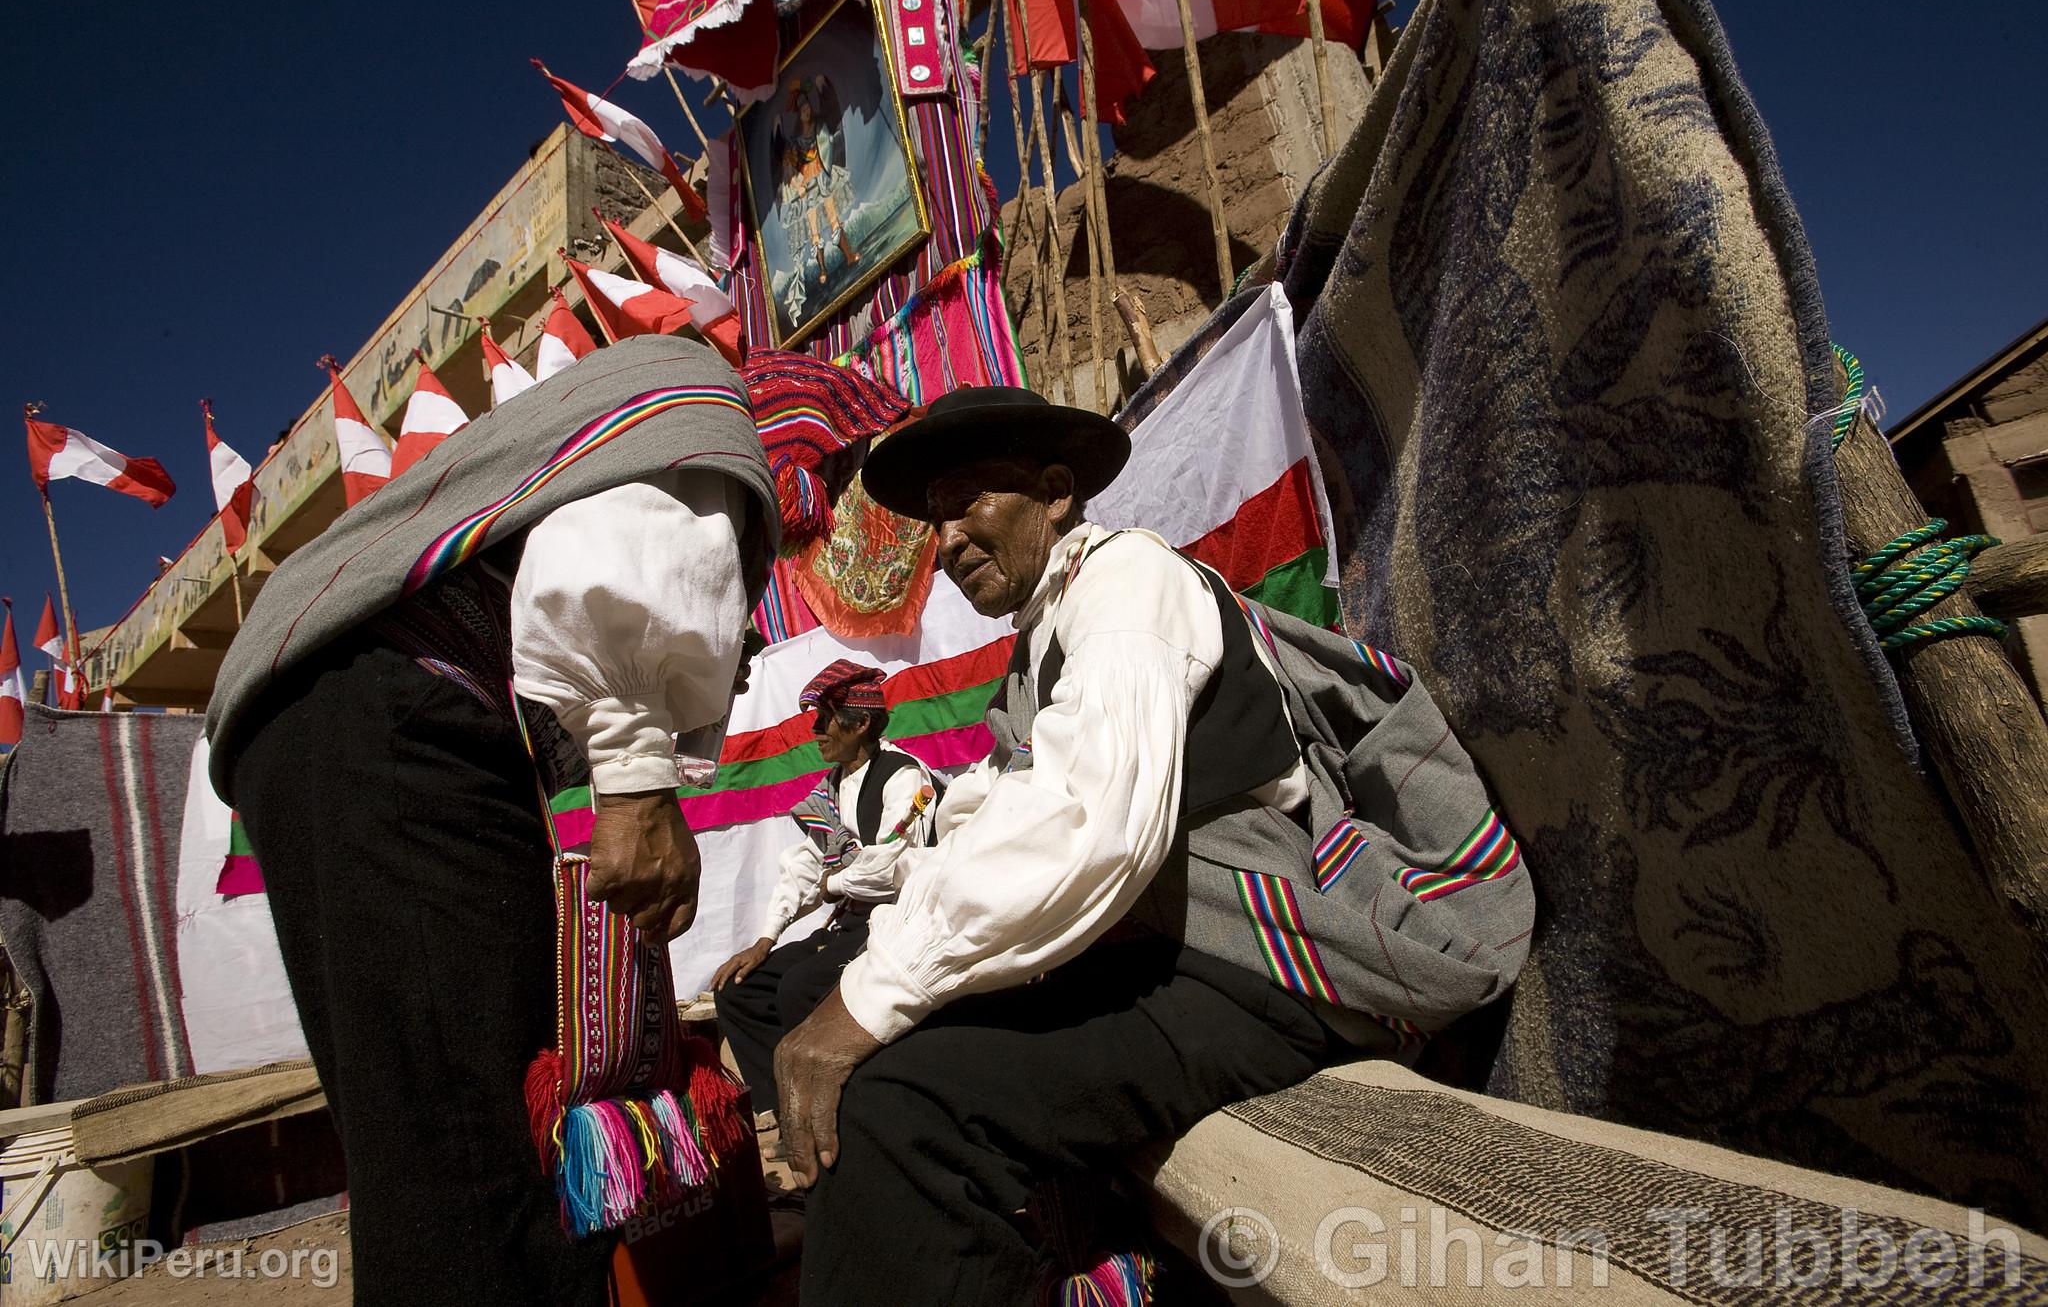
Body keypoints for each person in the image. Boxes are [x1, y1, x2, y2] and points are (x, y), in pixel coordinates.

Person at [769, 385, 1535, 1304]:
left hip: (1254, 965)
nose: (951, 541)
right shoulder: (1037, 649)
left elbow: (1087, 823)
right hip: (1164, 951)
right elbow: (994, 807)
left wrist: (875, 994)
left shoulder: (1128, 579)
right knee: (822, 996)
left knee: (901, 1107)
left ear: (1056, 492)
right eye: (936, 520)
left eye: (969, 500)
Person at [204, 339, 909, 1307]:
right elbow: (612, 572)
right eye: (833, 471)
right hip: (381, 726)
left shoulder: (646, 431)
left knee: (427, 1129)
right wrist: (633, 786)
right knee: (476, 1149)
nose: (819, 506)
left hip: (329, 725)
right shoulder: (705, 417)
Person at [710, 659, 935, 1138]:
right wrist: (765, 940)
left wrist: (833, 884)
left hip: (895, 923)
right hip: (849, 924)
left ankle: (839, 1112)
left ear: (862, 724)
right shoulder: (831, 790)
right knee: (738, 990)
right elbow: (805, 867)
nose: (816, 730)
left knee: (798, 987)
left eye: (826, 719)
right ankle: (785, 1108)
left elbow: (890, 869)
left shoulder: (904, 777)